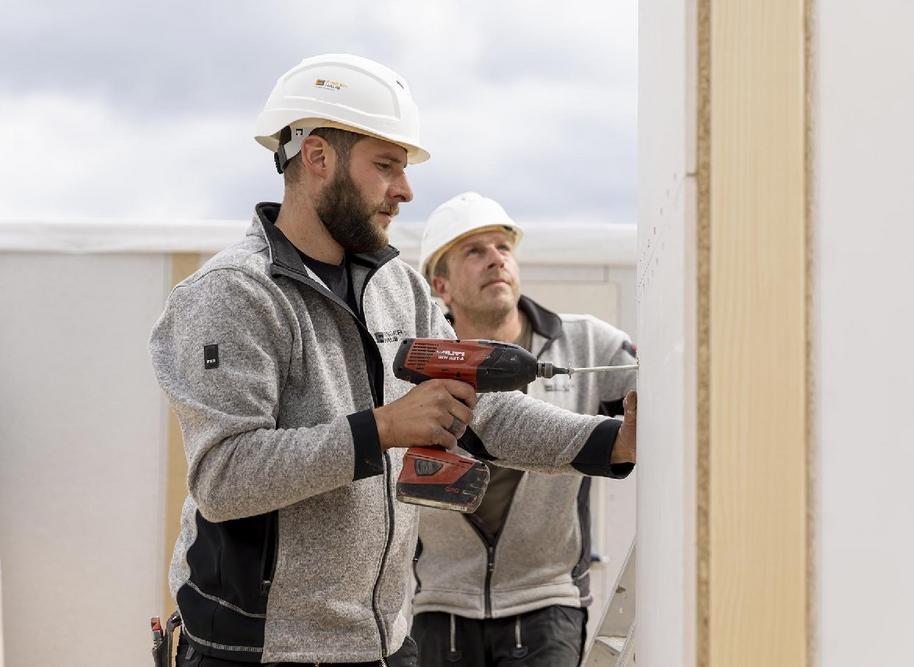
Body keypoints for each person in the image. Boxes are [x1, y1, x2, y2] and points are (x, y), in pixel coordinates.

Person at [149, 55, 637, 667]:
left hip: (384, 645)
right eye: (386, 167)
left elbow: (490, 416)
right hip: (254, 652)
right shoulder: (232, 295)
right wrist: (383, 428)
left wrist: (616, 442)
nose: (405, 191)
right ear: (318, 157)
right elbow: (225, 479)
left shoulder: (399, 289)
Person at [409, 193, 638, 666]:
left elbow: (662, 398)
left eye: (503, 248)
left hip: (546, 603)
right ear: (441, 285)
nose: (495, 259)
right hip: (438, 606)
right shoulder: (417, 364)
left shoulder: (587, 342)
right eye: (474, 251)